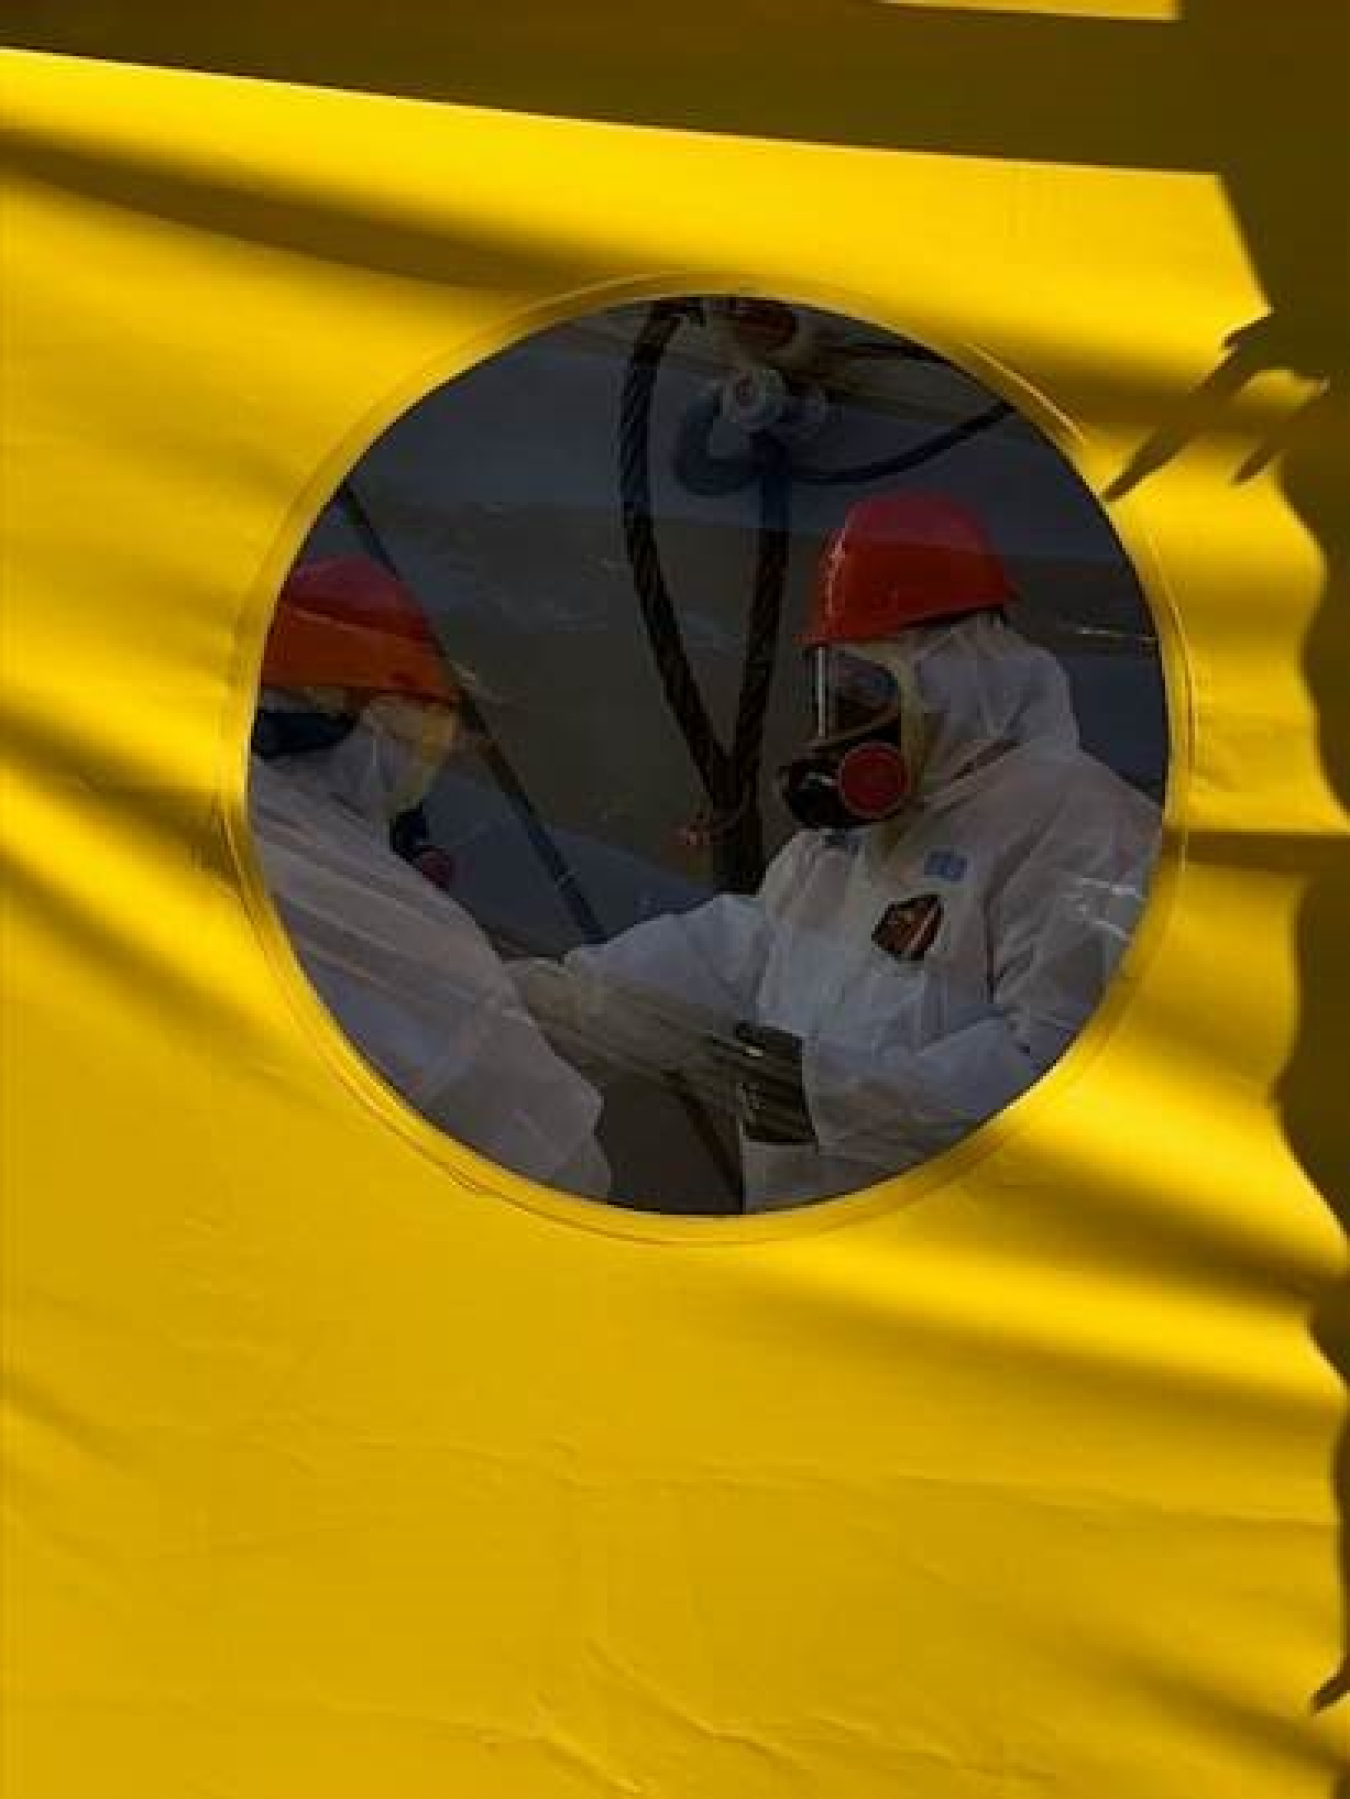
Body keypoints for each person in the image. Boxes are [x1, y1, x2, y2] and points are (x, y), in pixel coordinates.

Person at [513, 492, 1160, 1209]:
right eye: (834, 688)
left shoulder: (1081, 828)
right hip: (799, 1244)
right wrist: (540, 1003)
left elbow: (1057, 1075)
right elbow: (741, 947)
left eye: (867, 687)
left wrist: (826, 1097)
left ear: (954, 675)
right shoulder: (851, 840)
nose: (843, 721)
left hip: (954, 1275)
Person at [250, 554, 610, 1198]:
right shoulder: (374, 907)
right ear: (381, 714)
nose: (440, 750)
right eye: (436, 720)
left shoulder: (214, 825)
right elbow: (560, 1171)